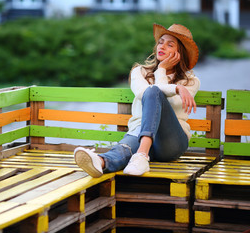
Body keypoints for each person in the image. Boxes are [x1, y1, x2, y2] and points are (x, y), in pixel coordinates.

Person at [74, 23, 200, 177]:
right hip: (139, 135)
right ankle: (100, 162)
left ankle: (141, 155)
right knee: (125, 148)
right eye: (161, 42)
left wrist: (162, 70)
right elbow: (143, 93)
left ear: (180, 53)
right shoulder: (139, 72)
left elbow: (161, 97)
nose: (162, 46)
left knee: (154, 92)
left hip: (171, 142)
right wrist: (175, 89)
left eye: (170, 45)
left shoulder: (190, 82)